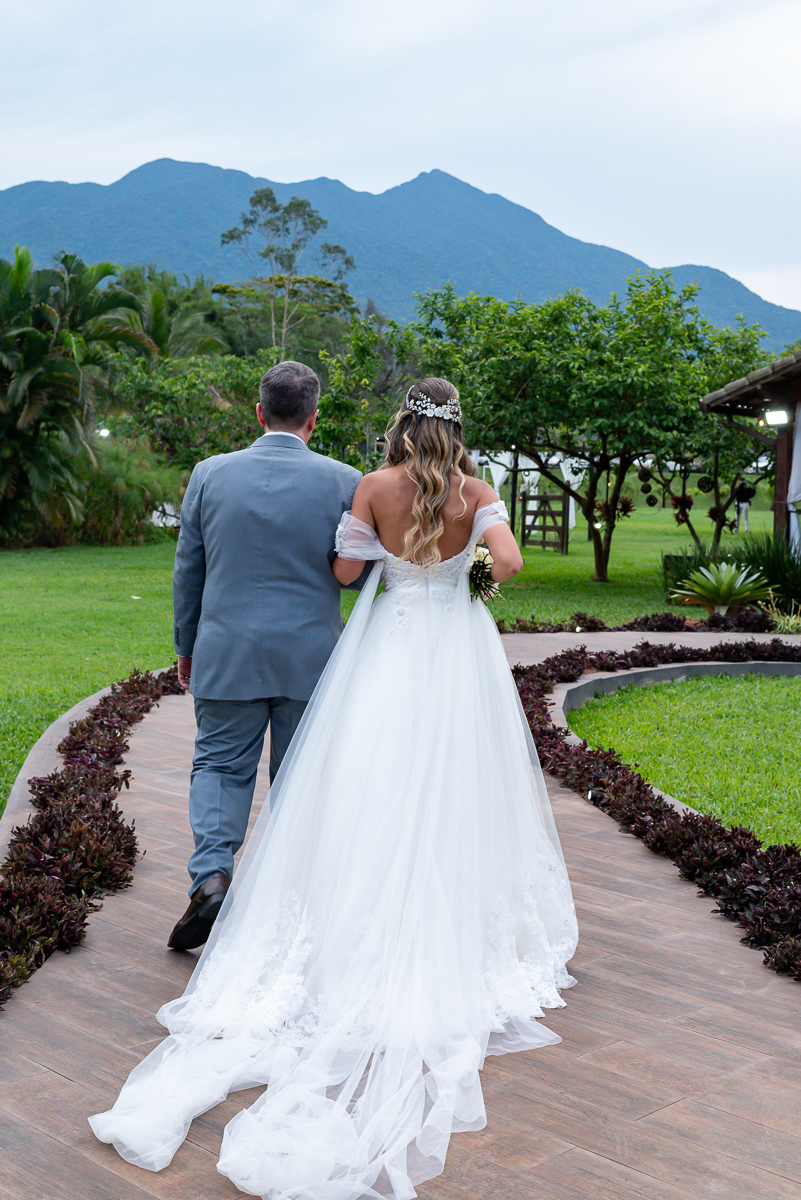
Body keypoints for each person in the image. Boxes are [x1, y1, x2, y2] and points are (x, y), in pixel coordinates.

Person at [90, 377, 578, 1199]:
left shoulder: (345, 482)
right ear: (313, 418)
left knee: (291, 774)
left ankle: (225, 877)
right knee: (418, 780)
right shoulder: (449, 488)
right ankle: (419, 901)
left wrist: (384, 562)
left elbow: (329, 568)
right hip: (418, 653)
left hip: (323, 649)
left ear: (260, 411)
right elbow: (499, 562)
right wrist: (463, 577)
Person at [167, 360, 366, 951]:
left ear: (259, 413)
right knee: (300, 777)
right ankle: (289, 901)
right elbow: (357, 575)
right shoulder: (345, 481)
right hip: (311, 657)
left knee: (219, 767)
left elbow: (189, 570)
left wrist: (187, 647)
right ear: (314, 419)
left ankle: (212, 877)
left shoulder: (209, 474)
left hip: (226, 651)